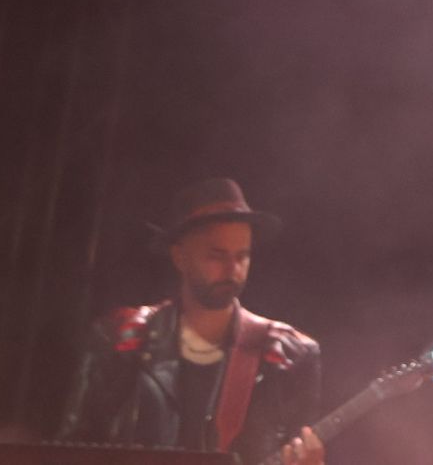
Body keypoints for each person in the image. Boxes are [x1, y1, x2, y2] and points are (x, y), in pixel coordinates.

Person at [59, 178, 324, 465]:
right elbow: (70, 452)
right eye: (217, 255)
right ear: (180, 256)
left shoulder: (289, 355)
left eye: (242, 256)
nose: (232, 270)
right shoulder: (119, 339)